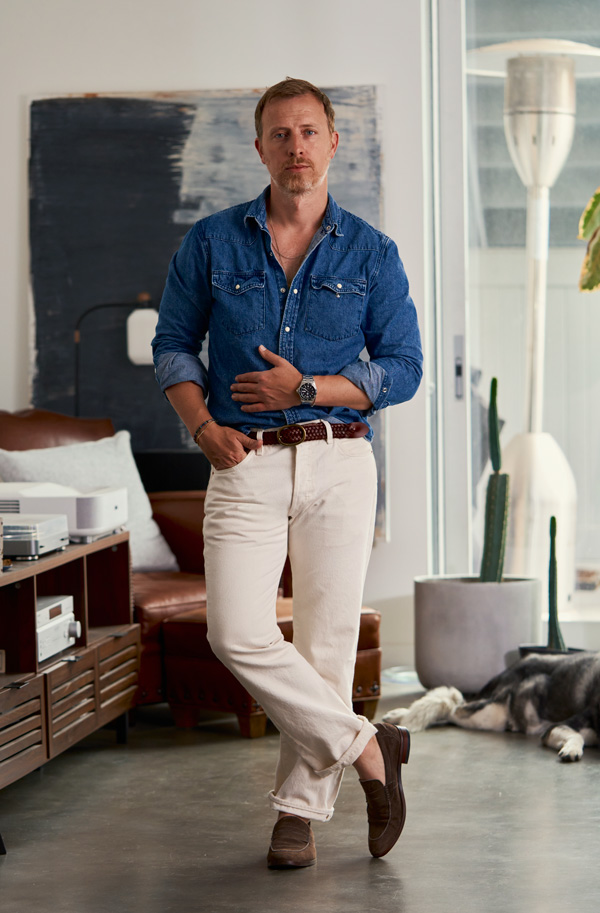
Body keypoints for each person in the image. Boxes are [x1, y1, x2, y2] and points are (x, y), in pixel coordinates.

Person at [152, 77, 423, 868]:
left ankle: (298, 813)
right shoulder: (211, 241)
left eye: (309, 132)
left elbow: (402, 368)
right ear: (261, 145)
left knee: (326, 644)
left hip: (341, 460)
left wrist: (306, 388)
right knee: (235, 629)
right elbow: (174, 345)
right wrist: (201, 426)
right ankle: (372, 750)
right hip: (244, 460)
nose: (296, 147)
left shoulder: (372, 252)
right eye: (281, 134)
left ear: (332, 143)